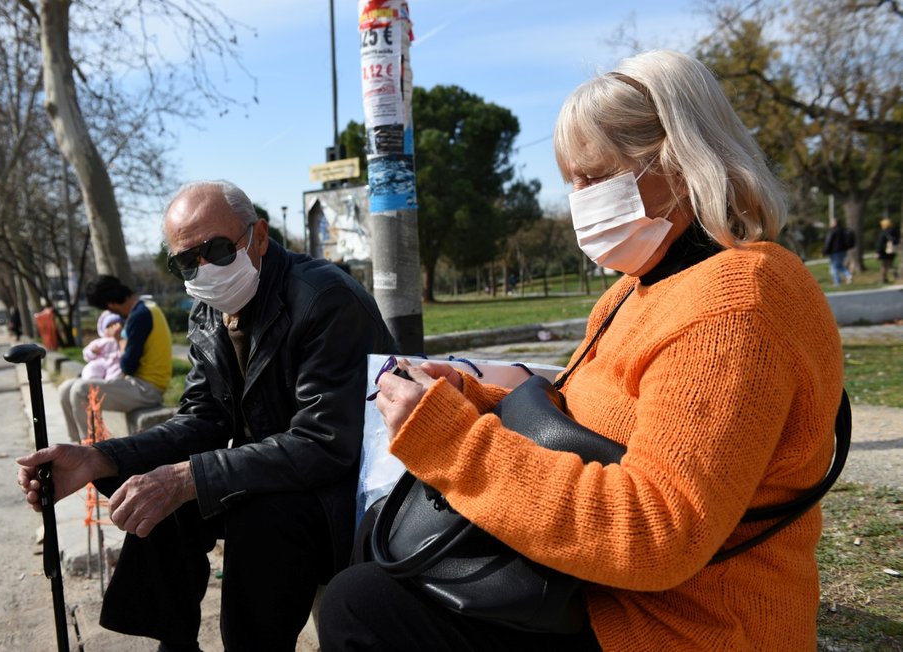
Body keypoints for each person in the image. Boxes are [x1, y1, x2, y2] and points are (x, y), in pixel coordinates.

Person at [319, 50, 844, 651]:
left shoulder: (737, 300)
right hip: (595, 593)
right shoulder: (636, 287)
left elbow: (658, 533)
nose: (579, 201)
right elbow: (579, 419)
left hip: (682, 626)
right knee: (364, 572)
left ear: (678, 163)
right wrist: (473, 398)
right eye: (573, 182)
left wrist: (452, 441)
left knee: (363, 607)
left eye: (594, 178)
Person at [18, 180, 397, 650]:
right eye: (184, 260)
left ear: (258, 237)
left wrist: (190, 477)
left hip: (352, 488)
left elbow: (325, 443)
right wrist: (103, 458)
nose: (203, 268)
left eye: (216, 249)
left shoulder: (324, 300)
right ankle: (173, 642)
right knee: (160, 495)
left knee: (253, 513)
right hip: (278, 469)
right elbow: (201, 419)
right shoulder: (208, 312)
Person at [56, 275, 172, 442]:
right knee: (65, 389)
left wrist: (118, 340)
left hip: (147, 389)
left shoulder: (140, 315)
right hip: (137, 385)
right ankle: (77, 445)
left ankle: (92, 451)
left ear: (111, 305)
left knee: (81, 390)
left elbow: (127, 366)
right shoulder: (146, 308)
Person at [81, 310, 125, 381]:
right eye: (109, 326)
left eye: (115, 325)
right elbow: (86, 353)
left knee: (117, 372)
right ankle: (91, 382)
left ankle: (110, 385)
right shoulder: (100, 341)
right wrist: (93, 351)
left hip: (115, 363)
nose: (113, 328)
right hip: (101, 361)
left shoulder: (122, 340)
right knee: (91, 368)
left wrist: (119, 339)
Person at [822, 217, 854, 285]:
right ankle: (848, 275)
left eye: (831, 222)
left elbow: (828, 242)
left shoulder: (833, 231)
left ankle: (837, 282)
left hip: (835, 252)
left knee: (834, 267)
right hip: (843, 251)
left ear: (835, 223)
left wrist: (824, 251)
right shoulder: (843, 230)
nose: (830, 223)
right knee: (839, 266)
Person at [876, 217, 899, 284]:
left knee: (883, 266)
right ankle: (895, 275)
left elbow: (880, 243)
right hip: (892, 251)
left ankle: (883, 279)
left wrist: (878, 252)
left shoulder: (883, 233)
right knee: (890, 265)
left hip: (884, 251)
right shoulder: (894, 231)